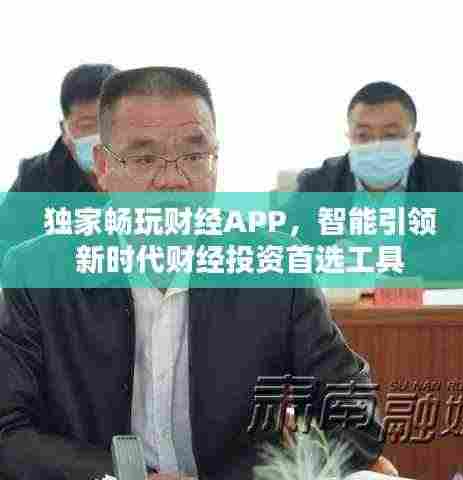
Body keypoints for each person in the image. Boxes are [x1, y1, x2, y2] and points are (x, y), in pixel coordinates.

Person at [0, 67, 384, 480]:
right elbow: (7, 430)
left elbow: (354, 414)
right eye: (145, 158)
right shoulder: (37, 273)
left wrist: (293, 468)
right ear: (103, 166)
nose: (173, 180)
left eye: (194, 156)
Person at [0, 63, 118, 269]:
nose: (101, 137)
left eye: (111, 123)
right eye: (88, 126)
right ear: (65, 131)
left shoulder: (158, 170)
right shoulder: (35, 178)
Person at [297, 81, 463, 193]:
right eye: (363, 135)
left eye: (390, 136)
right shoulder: (317, 184)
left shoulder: (445, 179)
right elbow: (284, 234)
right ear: (350, 138)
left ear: (414, 142)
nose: (376, 146)